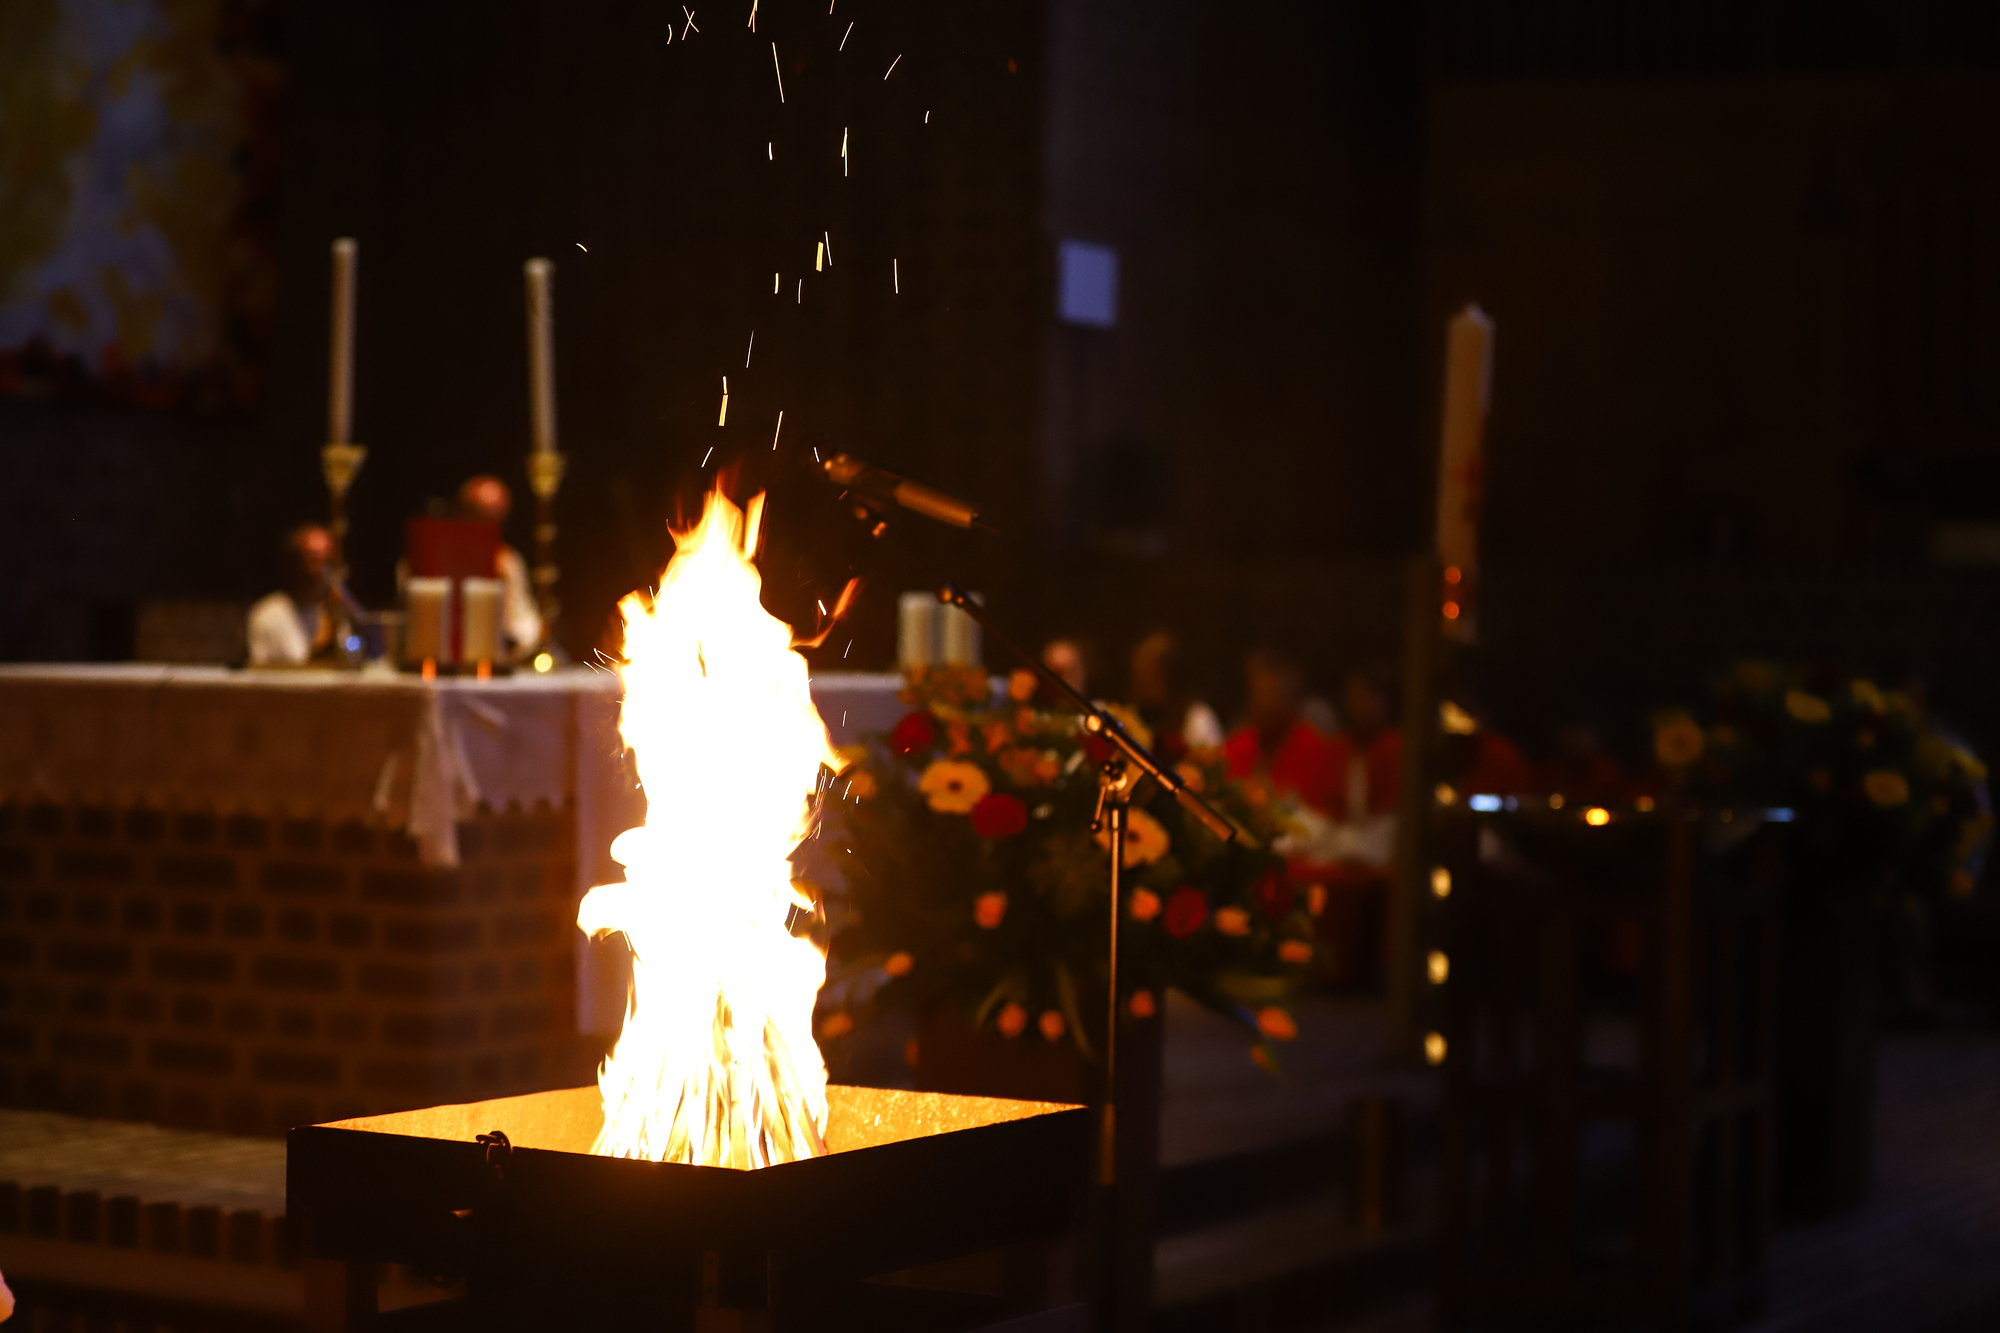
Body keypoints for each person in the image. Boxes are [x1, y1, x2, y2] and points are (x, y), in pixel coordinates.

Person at [1223, 647, 1339, 813]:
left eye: (1272, 692)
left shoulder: (1316, 750)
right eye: (1258, 691)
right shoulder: (1236, 746)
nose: (1263, 701)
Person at [458, 475, 543, 658]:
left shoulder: (508, 561)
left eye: (495, 514)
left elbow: (524, 626)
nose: (487, 522)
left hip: (500, 660)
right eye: (479, 512)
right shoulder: (432, 557)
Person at [246, 525, 335, 666]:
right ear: (294, 564)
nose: (321, 572)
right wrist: (319, 649)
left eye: (327, 561)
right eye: (313, 560)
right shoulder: (267, 615)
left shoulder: (331, 614)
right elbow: (260, 680)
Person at [1129, 630, 1224, 760]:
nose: (1141, 684)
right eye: (1139, 674)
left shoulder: (1198, 719)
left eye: (1150, 675)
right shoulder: (1132, 720)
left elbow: (1208, 770)